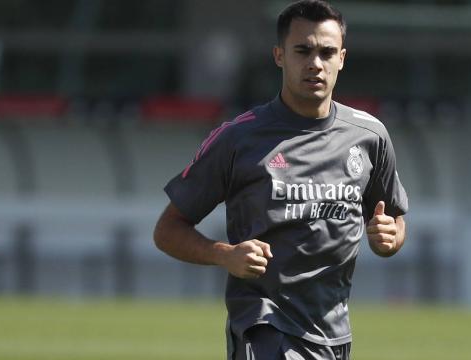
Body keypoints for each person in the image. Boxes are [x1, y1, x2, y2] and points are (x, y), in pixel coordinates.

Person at [153, 1, 408, 359]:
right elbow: (167, 229)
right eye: (302, 50)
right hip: (264, 326)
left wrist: (389, 238)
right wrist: (224, 254)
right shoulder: (238, 138)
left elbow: (393, 221)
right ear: (279, 55)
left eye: (326, 52)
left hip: (333, 333)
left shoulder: (370, 136)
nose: (314, 63)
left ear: (342, 58)